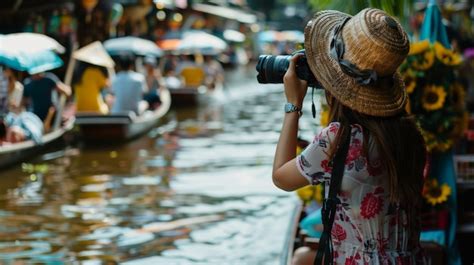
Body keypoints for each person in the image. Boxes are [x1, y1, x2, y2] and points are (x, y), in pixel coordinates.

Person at [272, 8, 427, 264]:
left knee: (300, 258)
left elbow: (281, 178)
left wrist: (293, 106)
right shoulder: (411, 135)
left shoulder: (339, 138)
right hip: (410, 260)